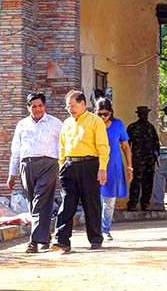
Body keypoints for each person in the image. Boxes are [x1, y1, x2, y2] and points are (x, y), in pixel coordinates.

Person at [52, 90, 110, 254]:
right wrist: (61, 164)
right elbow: (62, 146)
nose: (69, 109)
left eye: (72, 105)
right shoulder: (67, 123)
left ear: (83, 104)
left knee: (91, 203)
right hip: (69, 166)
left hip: (89, 165)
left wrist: (102, 168)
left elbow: (103, 147)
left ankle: (96, 238)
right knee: (67, 203)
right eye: (67, 106)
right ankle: (61, 240)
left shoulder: (95, 121)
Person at [6, 91, 63, 253]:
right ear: (28, 108)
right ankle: (44, 236)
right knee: (33, 203)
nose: (37, 109)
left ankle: (34, 241)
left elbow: (62, 146)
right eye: (34, 106)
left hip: (49, 164)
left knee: (40, 200)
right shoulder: (22, 125)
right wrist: (12, 174)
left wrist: (61, 165)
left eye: (40, 106)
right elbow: (15, 150)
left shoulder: (55, 123)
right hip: (27, 166)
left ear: (45, 107)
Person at [94, 98, 132, 241]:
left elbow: (126, 146)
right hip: (95, 165)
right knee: (95, 199)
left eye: (106, 114)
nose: (103, 117)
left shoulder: (118, 125)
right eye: (100, 114)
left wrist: (129, 166)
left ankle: (105, 229)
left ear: (111, 113)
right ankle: (95, 229)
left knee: (109, 200)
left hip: (113, 166)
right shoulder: (92, 125)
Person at [126, 105, 159, 211]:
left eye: (146, 114)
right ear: (139, 115)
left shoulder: (150, 127)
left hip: (149, 159)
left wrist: (155, 156)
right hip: (137, 159)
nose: (145, 116)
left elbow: (156, 143)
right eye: (143, 114)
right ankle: (132, 204)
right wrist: (129, 159)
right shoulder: (132, 127)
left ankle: (145, 203)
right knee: (136, 181)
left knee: (148, 182)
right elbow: (127, 144)